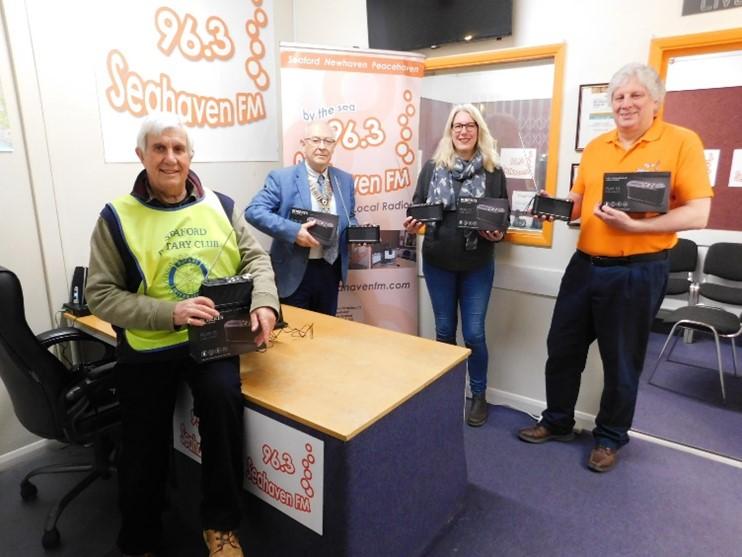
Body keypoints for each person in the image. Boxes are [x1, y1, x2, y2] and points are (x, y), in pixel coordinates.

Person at [86, 112, 279, 557]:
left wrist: (265, 302)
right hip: (149, 344)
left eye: (178, 149)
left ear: (191, 155)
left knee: (224, 406)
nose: (170, 158)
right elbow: (100, 295)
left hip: (213, 342)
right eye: (159, 149)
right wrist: (168, 312)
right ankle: (140, 538)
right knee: (142, 442)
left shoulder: (222, 205)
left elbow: (256, 262)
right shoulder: (116, 217)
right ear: (141, 156)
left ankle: (221, 526)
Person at [518, 63, 713, 472]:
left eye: (636, 95)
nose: (626, 103)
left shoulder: (681, 142)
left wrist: (639, 227)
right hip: (584, 266)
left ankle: (609, 438)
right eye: (619, 97)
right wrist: (555, 206)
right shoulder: (597, 146)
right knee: (563, 350)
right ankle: (557, 421)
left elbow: (698, 212)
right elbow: (578, 198)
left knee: (622, 361)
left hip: (637, 271)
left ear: (655, 102)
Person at [403, 103, 508, 427]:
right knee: (445, 331)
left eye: (470, 125)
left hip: (477, 263)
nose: (463, 131)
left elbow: (502, 218)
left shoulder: (493, 171)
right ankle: (446, 394)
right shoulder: (433, 168)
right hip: (438, 262)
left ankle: (478, 395)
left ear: (479, 131)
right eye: (457, 125)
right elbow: (418, 206)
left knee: (474, 334)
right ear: (450, 131)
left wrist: (497, 231)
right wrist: (414, 223)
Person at [245, 120, 357, 316]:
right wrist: (294, 231)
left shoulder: (344, 180)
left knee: (327, 333)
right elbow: (254, 211)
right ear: (303, 144)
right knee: (296, 336)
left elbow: (350, 217)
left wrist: (357, 233)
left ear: (334, 146)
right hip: (294, 272)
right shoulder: (282, 178)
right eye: (316, 140)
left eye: (328, 141)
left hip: (330, 270)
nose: (322, 146)